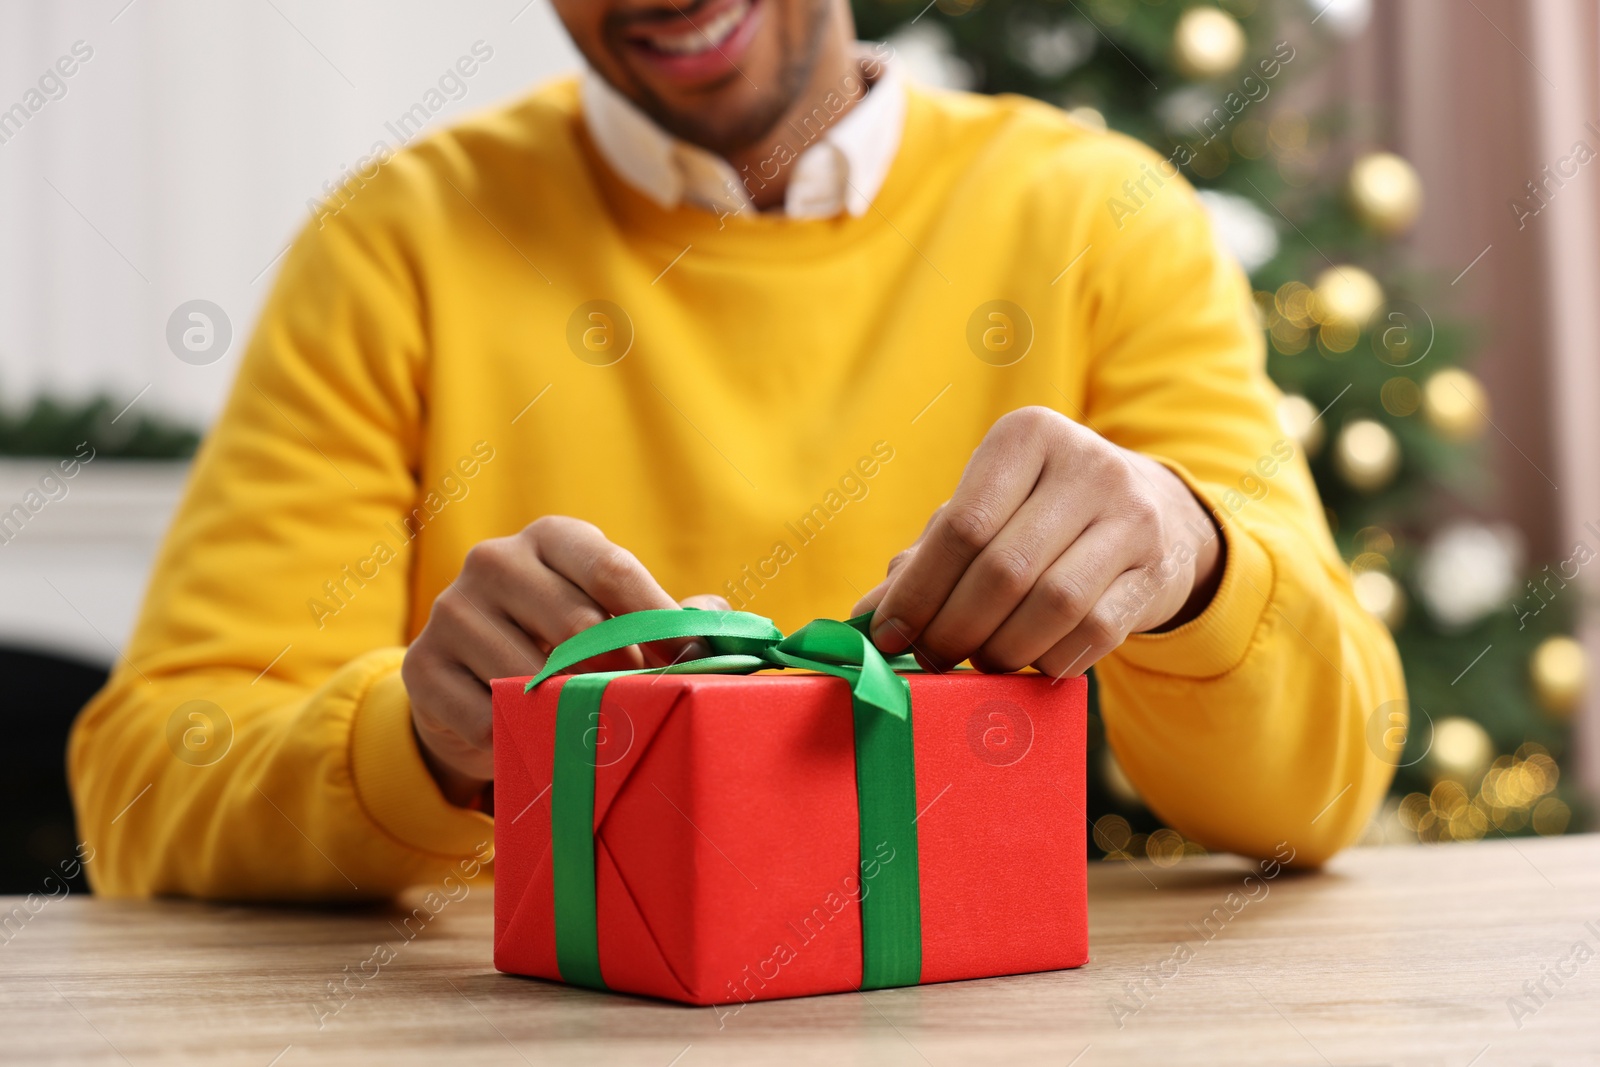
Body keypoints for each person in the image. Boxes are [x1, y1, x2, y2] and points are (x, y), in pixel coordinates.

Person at [70, 0, 1404, 898]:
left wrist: (1197, 555)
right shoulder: (392, 246)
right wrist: (419, 743)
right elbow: (143, 784)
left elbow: (1323, 787)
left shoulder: (1101, 219)